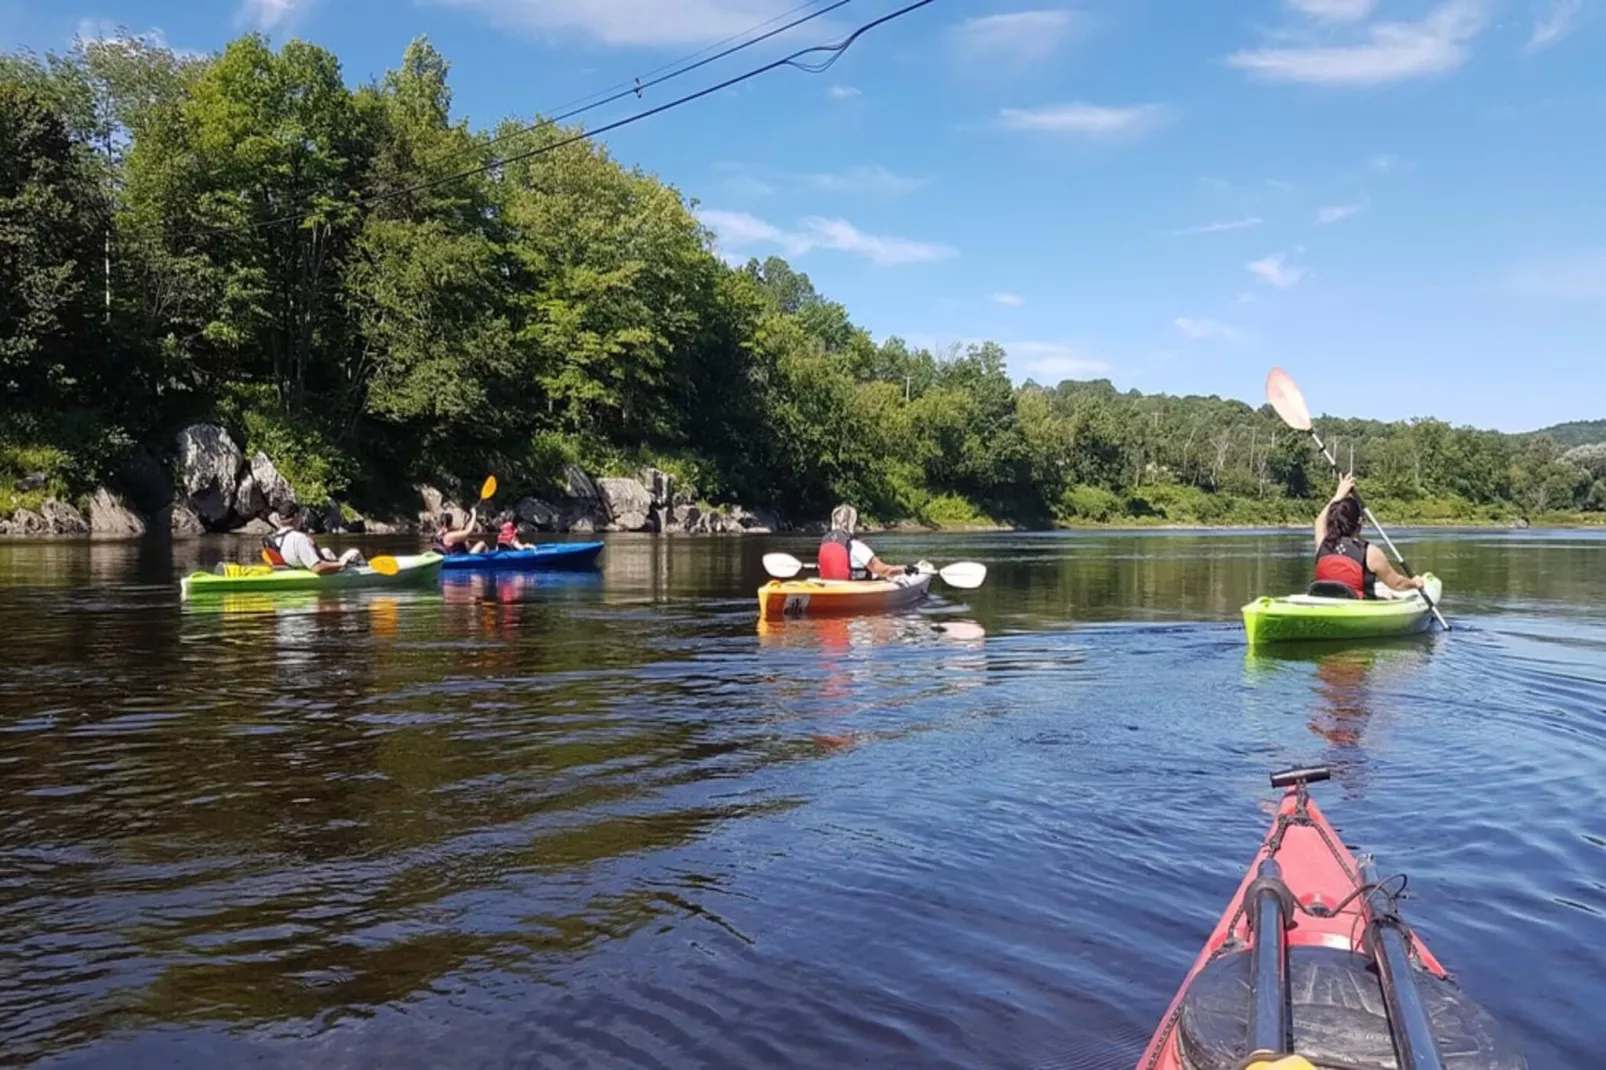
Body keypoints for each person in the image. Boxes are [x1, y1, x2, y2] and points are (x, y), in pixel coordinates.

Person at [1314, 474, 1425, 599]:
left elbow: (1319, 521)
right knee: (1387, 595)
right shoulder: (1370, 553)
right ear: (1358, 524)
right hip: (1356, 605)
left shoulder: (1324, 543)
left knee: (1383, 591)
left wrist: (1338, 495)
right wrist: (1415, 583)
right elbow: (1397, 583)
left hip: (1325, 601)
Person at [817, 504, 912, 581]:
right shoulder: (857, 547)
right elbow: (885, 571)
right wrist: (904, 568)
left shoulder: (825, 544)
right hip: (851, 591)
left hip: (829, 588)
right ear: (852, 523)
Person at [266, 503, 364, 574]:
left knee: (326, 551)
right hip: (311, 571)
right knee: (354, 552)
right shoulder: (299, 538)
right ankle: (365, 572)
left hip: (296, 566)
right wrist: (341, 563)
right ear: (296, 516)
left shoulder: (274, 537)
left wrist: (314, 548)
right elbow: (317, 568)